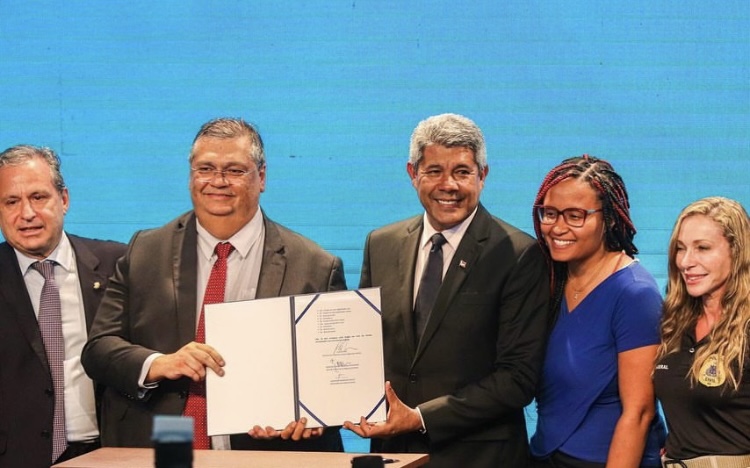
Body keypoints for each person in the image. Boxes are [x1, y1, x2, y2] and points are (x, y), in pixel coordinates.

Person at [81, 118, 347, 452]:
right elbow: (98, 349)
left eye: (235, 170)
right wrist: (159, 364)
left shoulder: (315, 265)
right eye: (205, 168)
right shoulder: (145, 251)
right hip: (167, 438)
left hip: (266, 450)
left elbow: (334, 377)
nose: (217, 182)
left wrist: (311, 418)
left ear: (261, 177)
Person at [343, 113, 550, 467]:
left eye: (462, 172)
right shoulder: (381, 244)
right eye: (434, 171)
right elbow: (362, 348)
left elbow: (518, 378)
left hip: (481, 457)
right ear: (412, 174)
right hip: (394, 455)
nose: (448, 184)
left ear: (483, 176)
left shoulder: (518, 254)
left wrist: (422, 416)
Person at [528, 155, 665, 467]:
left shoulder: (634, 294)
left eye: (575, 215)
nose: (558, 228)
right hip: (545, 455)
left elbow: (639, 413)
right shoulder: (550, 279)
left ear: (609, 219)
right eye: (550, 214)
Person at [0, 145, 126, 468]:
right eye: (11, 202)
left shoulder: (119, 264)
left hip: (109, 453)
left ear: (64, 199)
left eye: (38, 197)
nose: (26, 213)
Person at [654, 196, 750, 465]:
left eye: (703, 248)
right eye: (681, 249)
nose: (686, 262)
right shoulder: (674, 323)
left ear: (736, 250)